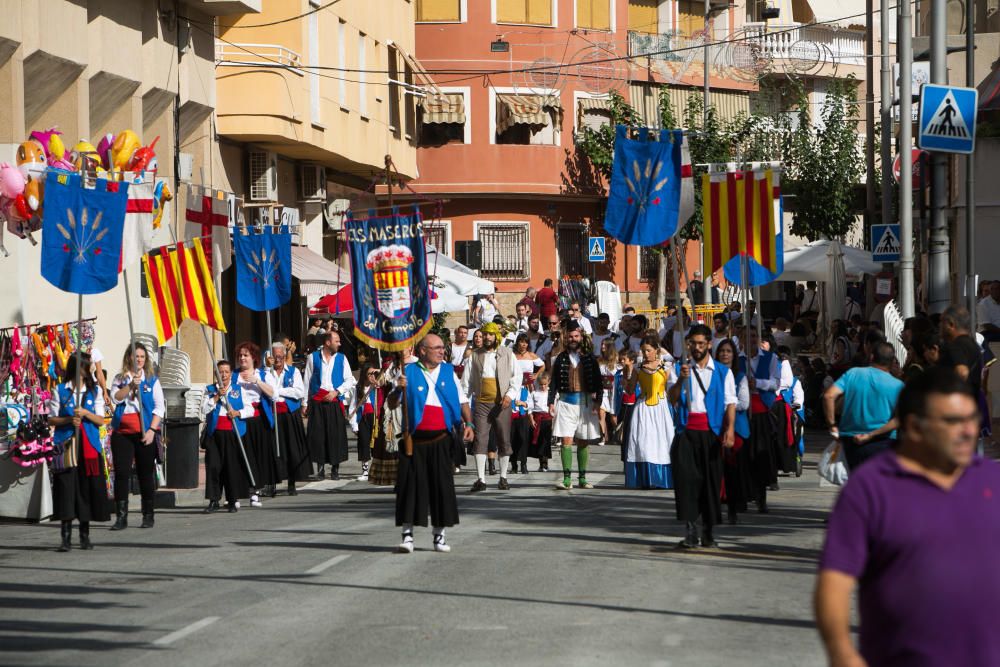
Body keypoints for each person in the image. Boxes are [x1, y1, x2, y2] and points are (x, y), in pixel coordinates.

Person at [815, 368, 1000, 667]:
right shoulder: (871, 489)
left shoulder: (994, 482)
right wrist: (842, 653)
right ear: (915, 427)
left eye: (971, 419)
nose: (968, 431)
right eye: (953, 421)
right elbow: (835, 581)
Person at [391, 334, 474, 554]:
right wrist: (399, 389)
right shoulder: (407, 372)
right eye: (436, 348)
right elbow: (391, 403)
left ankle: (439, 537)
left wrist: (469, 423)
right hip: (414, 441)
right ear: (423, 351)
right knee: (410, 489)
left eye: (442, 348)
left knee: (441, 489)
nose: (441, 351)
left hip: (441, 440)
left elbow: (462, 400)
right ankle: (407, 536)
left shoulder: (448, 372)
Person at [669, 325, 737, 548]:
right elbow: (672, 398)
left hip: (711, 433)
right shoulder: (679, 368)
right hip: (686, 432)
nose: (696, 348)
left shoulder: (722, 372)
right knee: (687, 481)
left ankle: (708, 530)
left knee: (710, 481)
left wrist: (729, 430)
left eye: (701, 344)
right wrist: (680, 380)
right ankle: (690, 530)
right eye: (693, 343)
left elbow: (730, 403)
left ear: (709, 344)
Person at [48, 353, 111, 550]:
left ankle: (84, 535)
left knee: (86, 489)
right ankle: (65, 536)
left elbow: (101, 420)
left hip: (88, 446)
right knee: (66, 489)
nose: (89, 370)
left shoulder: (95, 392)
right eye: (85, 367)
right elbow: (51, 419)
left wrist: (85, 414)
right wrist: (68, 420)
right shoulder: (60, 390)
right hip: (67, 445)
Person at [109, 343, 165, 530]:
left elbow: (159, 408)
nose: (139, 359)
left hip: (144, 432)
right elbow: (115, 398)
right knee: (122, 474)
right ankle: (121, 517)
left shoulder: (152, 380)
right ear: (129, 358)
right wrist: (130, 385)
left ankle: (148, 514)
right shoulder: (120, 378)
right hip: (122, 433)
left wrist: (151, 431)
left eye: (142, 356)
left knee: (145, 474)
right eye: (136, 356)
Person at [824, 342, 904, 471]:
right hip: (883, 441)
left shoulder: (853, 373)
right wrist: (872, 434)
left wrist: (832, 426)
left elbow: (829, 396)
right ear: (891, 361)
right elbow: (899, 419)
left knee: (856, 482)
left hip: (851, 439)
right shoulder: (898, 385)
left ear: (871, 357)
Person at [548, 321, 603, 490]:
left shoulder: (589, 358)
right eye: (570, 336)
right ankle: (566, 479)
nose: (573, 339)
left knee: (583, 441)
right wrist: (551, 402)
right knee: (566, 440)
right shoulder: (560, 358)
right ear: (567, 338)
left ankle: (582, 478)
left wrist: (598, 401)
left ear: (581, 337)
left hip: (585, 403)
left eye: (576, 336)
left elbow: (598, 382)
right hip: (565, 402)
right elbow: (554, 382)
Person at [466, 322, 520, 492]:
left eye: (490, 334)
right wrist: (465, 406)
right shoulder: (474, 356)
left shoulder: (508, 354)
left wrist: (509, 396)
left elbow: (517, 377)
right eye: (485, 334)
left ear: (497, 335)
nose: (487, 337)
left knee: (504, 439)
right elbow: (466, 383)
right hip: (481, 402)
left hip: (501, 403)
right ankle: (480, 479)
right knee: (480, 439)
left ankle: (503, 477)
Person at [740, 328, 786, 512]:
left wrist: (758, 383)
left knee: (761, 453)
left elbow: (776, 383)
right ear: (741, 339)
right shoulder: (737, 358)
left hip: (760, 408)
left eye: (753, 336)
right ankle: (743, 495)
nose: (751, 340)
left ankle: (761, 497)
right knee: (742, 454)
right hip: (742, 409)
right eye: (747, 336)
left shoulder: (770, 358)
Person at [202, 359, 255, 513]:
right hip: (215, 434)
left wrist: (238, 413)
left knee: (231, 467)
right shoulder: (210, 389)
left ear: (231, 374)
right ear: (215, 374)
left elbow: (250, 409)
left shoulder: (239, 389)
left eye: (226, 372)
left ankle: (232, 500)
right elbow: (204, 409)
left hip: (233, 433)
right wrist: (217, 396)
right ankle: (214, 500)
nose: (223, 375)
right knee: (213, 467)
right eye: (220, 372)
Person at [622, 339, 676, 489]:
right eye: (643, 351)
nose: (645, 354)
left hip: (661, 408)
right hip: (643, 408)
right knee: (643, 441)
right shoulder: (638, 368)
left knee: (662, 441)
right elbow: (630, 390)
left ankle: (662, 478)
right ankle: (644, 478)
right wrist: (627, 373)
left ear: (656, 350)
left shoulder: (666, 367)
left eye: (648, 350)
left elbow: (672, 388)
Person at [303, 330, 356, 481]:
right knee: (318, 436)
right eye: (337, 341)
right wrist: (304, 403)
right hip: (317, 402)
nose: (340, 343)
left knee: (335, 435)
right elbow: (307, 380)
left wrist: (336, 391)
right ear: (328, 342)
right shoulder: (313, 357)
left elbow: (350, 380)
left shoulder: (341, 358)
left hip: (333, 401)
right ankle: (320, 469)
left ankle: (335, 468)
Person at [260, 340, 310, 495]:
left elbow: (298, 392)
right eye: (275, 357)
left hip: (289, 415)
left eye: (281, 356)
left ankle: (292, 483)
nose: (278, 360)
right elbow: (263, 389)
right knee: (273, 449)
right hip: (272, 414)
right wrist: (267, 371)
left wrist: (277, 391)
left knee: (291, 449)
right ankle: (271, 484)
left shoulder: (293, 372)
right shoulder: (266, 373)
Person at [714, 339, 751, 524]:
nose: (725, 354)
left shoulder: (740, 376)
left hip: (736, 428)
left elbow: (744, 403)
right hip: (715, 427)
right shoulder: (712, 374)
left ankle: (734, 505)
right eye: (722, 351)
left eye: (728, 351)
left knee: (733, 469)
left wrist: (725, 405)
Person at [233, 342, 272, 505]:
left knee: (255, 455)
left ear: (254, 358)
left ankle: (254, 491)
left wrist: (257, 381)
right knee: (239, 455)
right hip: (238, 417)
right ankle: (236, 492)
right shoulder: (233, 374)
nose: (242, 358)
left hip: (257, 419)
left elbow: (273, 393)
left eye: (246, 355)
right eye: (240, 355)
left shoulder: (262, 374)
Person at [511, 333, 543, 474]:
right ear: (517, 343)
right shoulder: (512, 355)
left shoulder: (531, 355)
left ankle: (523, 463)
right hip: (513, 388)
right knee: (512, 434)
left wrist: (536, 375)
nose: (523, 344)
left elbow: (542, 366)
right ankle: (513, 464)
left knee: (524, 434)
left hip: (527, 389)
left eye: (525, 342)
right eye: (521, 342)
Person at [349, 364, 383, 481]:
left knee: (377, 444)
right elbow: (353, 407)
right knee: (364, 443)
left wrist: (377, 385)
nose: (373, 376)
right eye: (370, 373)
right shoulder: (358, 389)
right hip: (363, 419)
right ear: (364, 375)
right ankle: (365, 471)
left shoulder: (378, 388)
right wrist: (354, 425)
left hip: (375, 419)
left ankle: (376, 469)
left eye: (374, 373)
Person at [528, 371, 554, 471]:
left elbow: (554, 407)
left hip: (547, 419)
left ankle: (545, 463)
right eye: (541, 384)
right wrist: (531, 419)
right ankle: (541, 463)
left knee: (546, 441)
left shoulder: (551, 394)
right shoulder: (534, 393)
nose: (543, 386)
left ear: (549, 382)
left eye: (545, 384)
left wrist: (554, 420)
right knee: (539, 441)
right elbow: (530, 408)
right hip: (537, 419)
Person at [596, 338, 620, 446]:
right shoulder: (599, 360)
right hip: (602, 390)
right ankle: (603, 437)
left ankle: (620, 435)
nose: (602, 347)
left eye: (605, 345)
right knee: (601, 413)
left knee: (613, 416)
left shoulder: (617, 361)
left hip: (613, 390)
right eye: (602, 345)